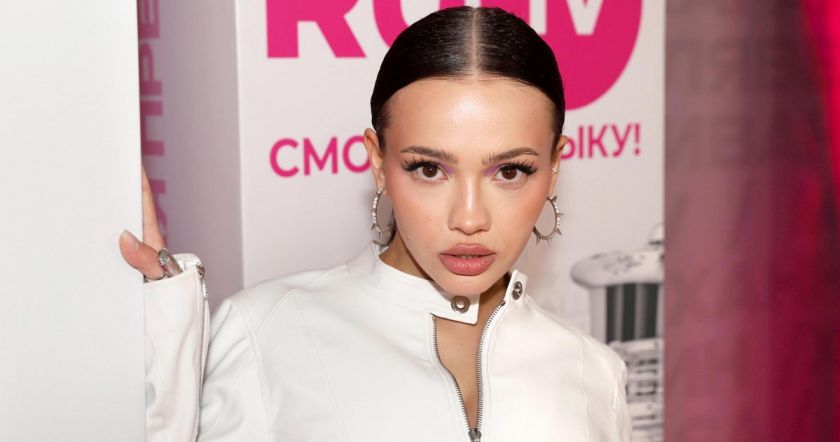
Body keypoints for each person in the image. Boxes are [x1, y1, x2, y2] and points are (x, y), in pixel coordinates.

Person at [119, 6, 631, 442]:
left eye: (511, 172)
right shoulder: (265, 335)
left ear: (554, 166)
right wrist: (163, 370)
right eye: (429, 169)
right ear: (378, 161)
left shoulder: (595, 373)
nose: (469, 219)